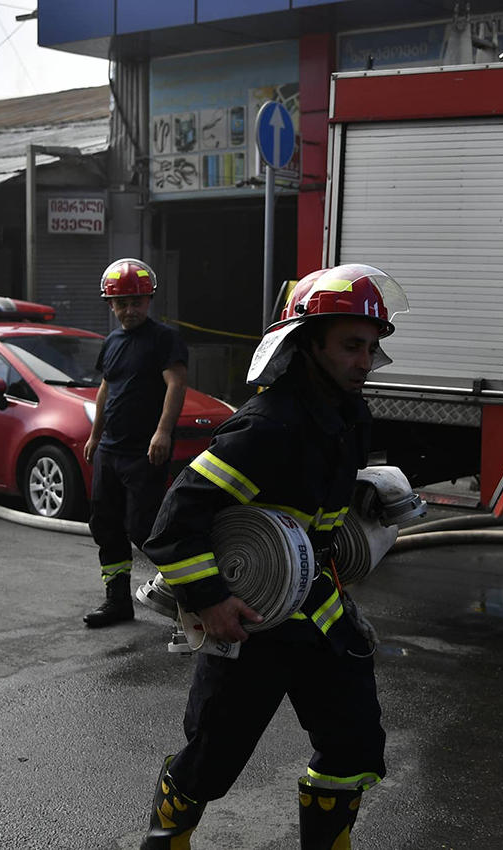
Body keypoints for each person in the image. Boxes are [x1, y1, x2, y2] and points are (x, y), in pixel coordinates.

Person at [137, 264, 409, 849]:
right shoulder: (267, 426)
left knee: (353, 743)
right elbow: (172, 525)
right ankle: (165, 837)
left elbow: (311, 499)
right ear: (308, 344)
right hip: (253, 624)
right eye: (350, 346)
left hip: (323, 616)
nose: (365, 361)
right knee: (212, 757)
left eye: (371, 347)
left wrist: (358, 497)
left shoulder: (348, 414)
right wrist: (211, 601)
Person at [82, 258, 189, 628]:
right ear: (110, 305)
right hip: (110, 451)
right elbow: (105, 389)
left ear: (149, 301)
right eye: (122, 303)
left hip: (145, 452)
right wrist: (96, 435)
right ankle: (117, 602)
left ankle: (194, 601)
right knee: (106, 525)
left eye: (137, 302)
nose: (130, 309)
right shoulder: (112, 342)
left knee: (146, 529)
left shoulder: (164, 339)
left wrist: (163, 432)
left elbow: (176, 384)